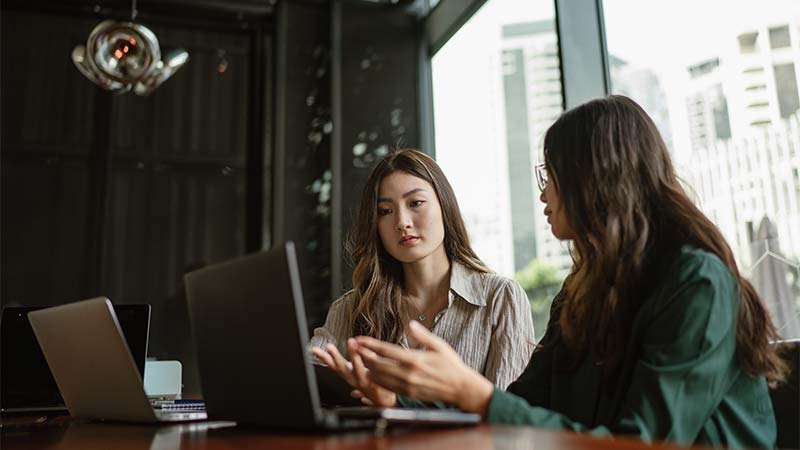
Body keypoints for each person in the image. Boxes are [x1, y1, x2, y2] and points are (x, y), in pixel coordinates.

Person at [318, 97, 787, 449]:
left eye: (553, 176)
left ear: (598, 178)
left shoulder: (696, 284)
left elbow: (645, 444)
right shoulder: (582, 290)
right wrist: (402, 402)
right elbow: (528, 403)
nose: (543, 194)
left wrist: (474, 393)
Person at [309, 148, 535, 390]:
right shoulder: (352, 308)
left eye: (415, 203)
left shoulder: (500, 298)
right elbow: (301, 377)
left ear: (444, 206)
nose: (402, 222)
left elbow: (506, 414)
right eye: (386, 211)